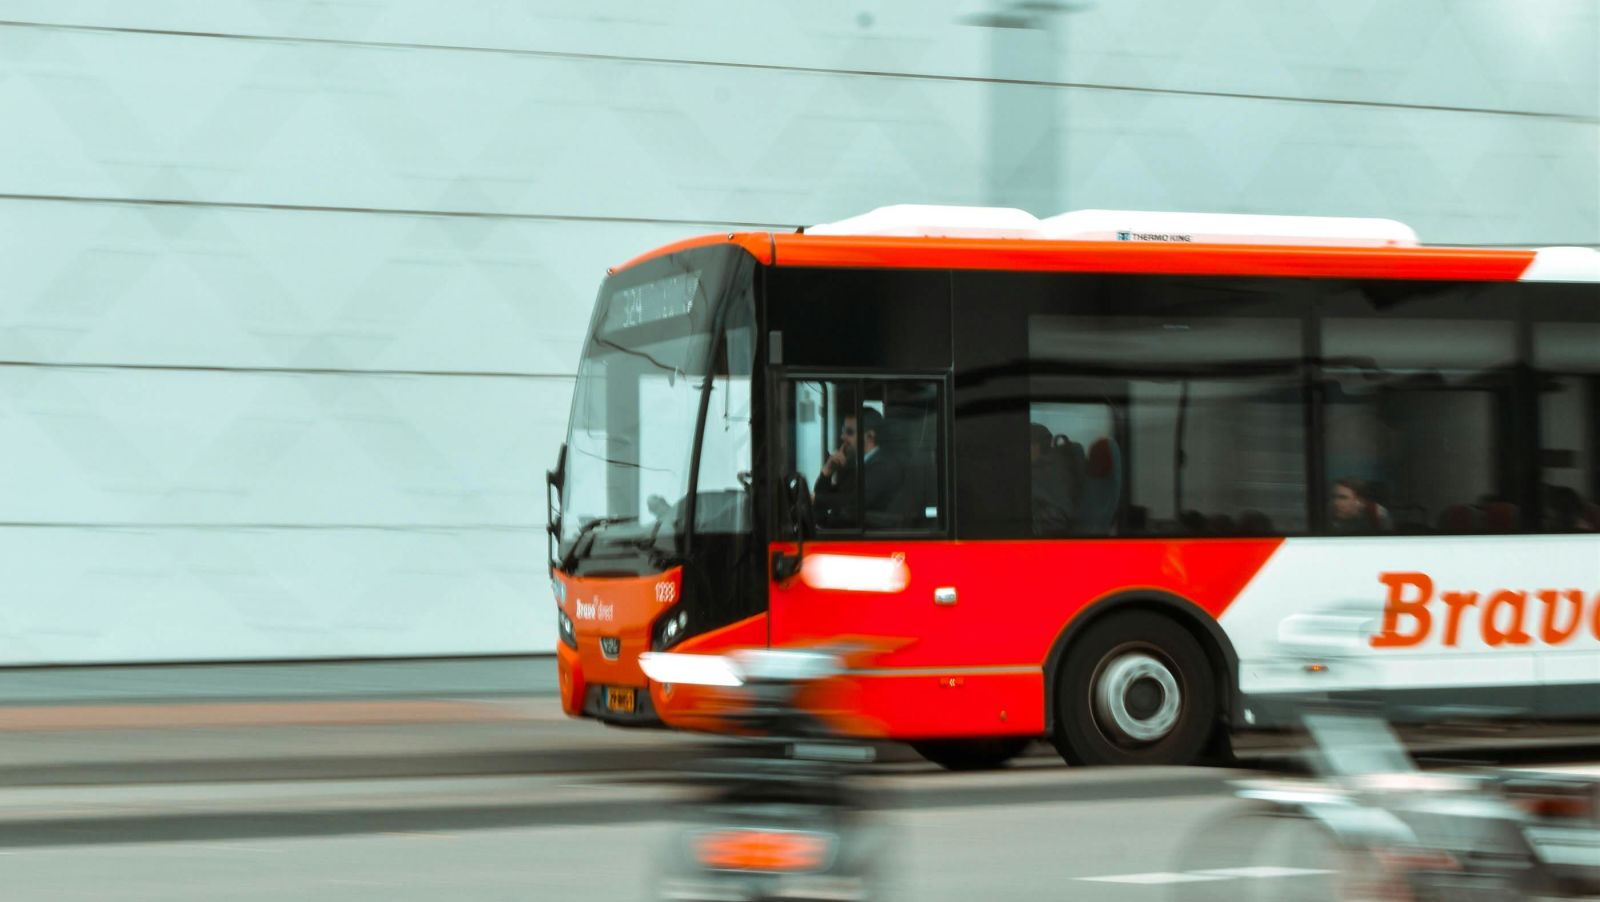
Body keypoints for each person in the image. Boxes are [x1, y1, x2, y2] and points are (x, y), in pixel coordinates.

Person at [813, 408, 902, 527]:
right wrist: (827, 472)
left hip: (873, 540)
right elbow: (829, 497)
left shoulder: (884, 466)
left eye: (849, 432)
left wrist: (817, 499)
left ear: (870, 436)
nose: (843, 437)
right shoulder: (856, 466)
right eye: (843, 430)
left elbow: (855, 502)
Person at [1030, 423, 1074, 535]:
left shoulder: (1050, 470)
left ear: (1038, 446)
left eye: (1030, 443)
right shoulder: (1042, 465)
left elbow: (1057, 515)